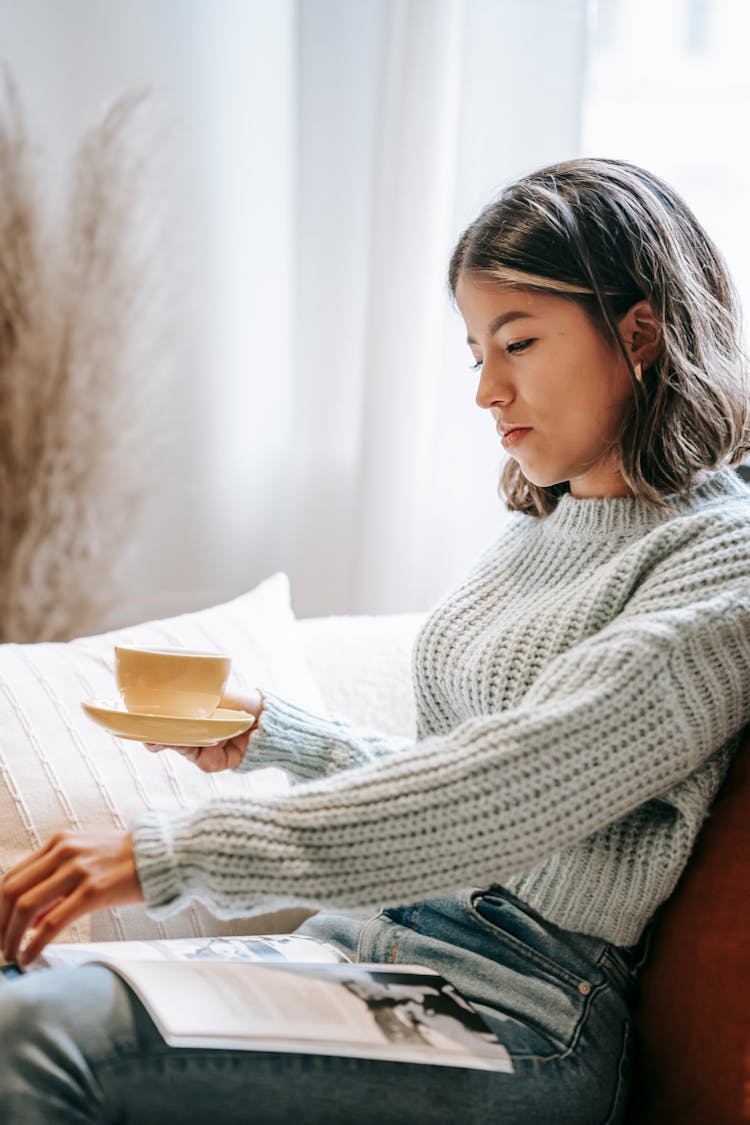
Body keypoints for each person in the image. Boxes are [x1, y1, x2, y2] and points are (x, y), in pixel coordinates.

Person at [1, 156, 749, 1124]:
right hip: (368, 950)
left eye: (516, 343)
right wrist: (281, 737)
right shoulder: (536, 535)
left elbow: (513, 789)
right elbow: (455, 778)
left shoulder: (722, 560)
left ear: (638, 331)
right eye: (476, 350)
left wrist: (172, 852)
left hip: (512, 1013)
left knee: (39, 1040)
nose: (487, 390)